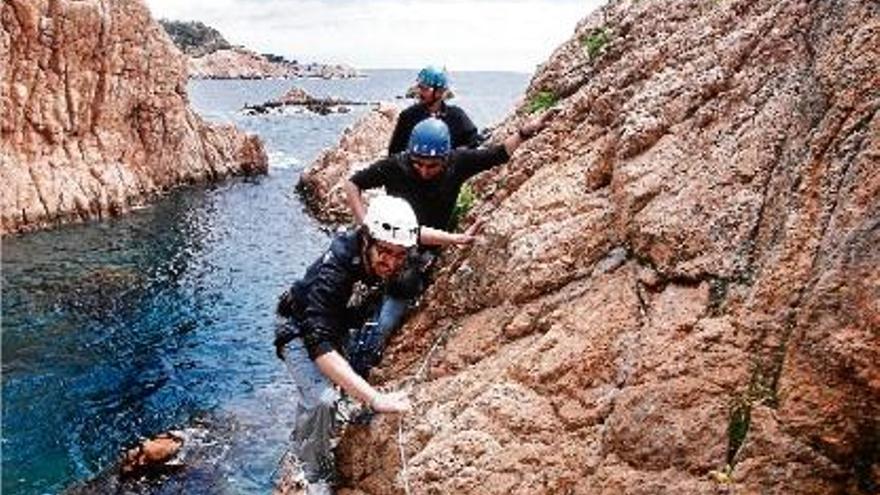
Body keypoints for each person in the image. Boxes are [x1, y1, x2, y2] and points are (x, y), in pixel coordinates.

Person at [343, 110, 557, 378]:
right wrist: (366, 224)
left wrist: (526, 131)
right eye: (418, 163)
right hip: (387, 242)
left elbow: (498, 154)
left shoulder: (458, 163)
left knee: (395, 301)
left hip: (419, 248)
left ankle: (357, 370)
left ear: (445, 158)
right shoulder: (395, 166)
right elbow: (353, 185)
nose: (423, 171)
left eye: (432, 166)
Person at [274, 195, 465, 494]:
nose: (391, 262)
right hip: (298, 329)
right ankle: (311, 471)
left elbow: (417, 234)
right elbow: (319, 346)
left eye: (400, 255)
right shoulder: (334, 271)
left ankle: (327, 420)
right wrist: (375, 399)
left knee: (348, 378)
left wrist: (458, 238)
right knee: (322, 399)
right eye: (385, 252)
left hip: (339, 321)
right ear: (367, 240)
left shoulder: (392, 242)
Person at [387, 66, 479, 154]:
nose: (419, 92)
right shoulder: (408, 117)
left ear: (440, 91)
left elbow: (473, 141)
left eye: (425, 89)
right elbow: (395, 151)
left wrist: (456, 155)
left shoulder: (456, 116)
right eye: (420, 87)